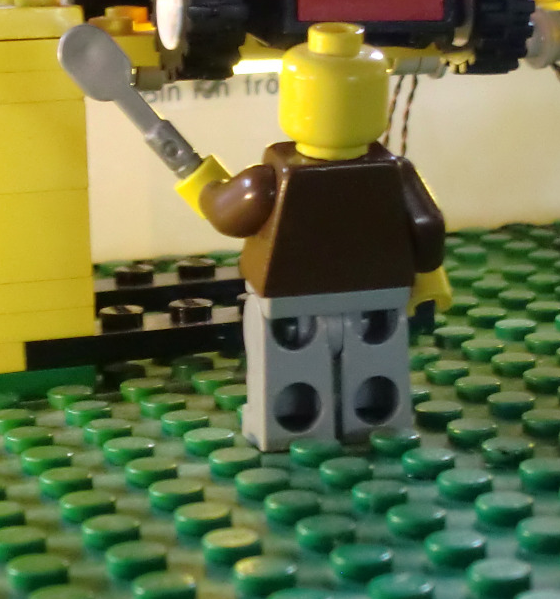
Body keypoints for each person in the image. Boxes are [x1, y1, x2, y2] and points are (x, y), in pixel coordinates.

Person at [181, 22, 452, 449]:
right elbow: (427, 225)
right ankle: (379, 419)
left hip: (290, 299)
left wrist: (200, 183)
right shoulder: (394, 172)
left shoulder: (271, 178)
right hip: (378, 294)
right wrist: (429, 273)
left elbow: (225, 213)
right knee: (375, 362)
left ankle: (293, 428)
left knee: (289, 368)